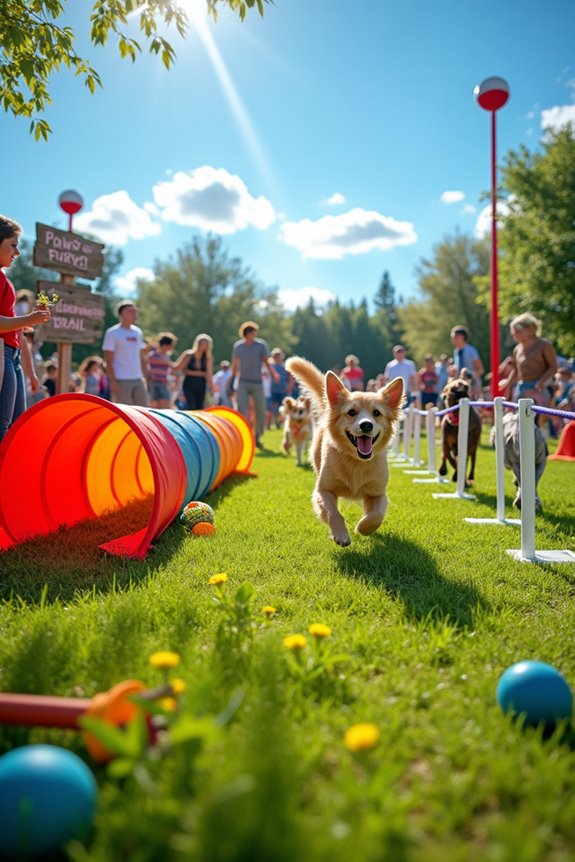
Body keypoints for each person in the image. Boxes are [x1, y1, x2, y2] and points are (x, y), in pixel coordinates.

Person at [0, 216, 51, 441]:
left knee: (18, 424)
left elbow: (16, 332)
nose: (17, 253)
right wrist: (30, 318)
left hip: (14, 357)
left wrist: (30, 372)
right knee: (3, 424)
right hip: (3, 353)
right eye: (13, 245)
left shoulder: (6, 280)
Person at [499, 312, 558, 425]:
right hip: (522, 387)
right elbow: (516, 370)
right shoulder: (517, 349)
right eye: (513, 332)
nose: (514, 335)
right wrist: (507, 384)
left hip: (541, 388)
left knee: (538, 421)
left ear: (530, 329)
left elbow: (553, 367)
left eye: (517, 331)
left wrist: (541, 382)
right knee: (520, 420)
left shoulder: (544, 345)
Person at [230, 321, 279, 448]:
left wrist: (273, 374)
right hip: (243, 382)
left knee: (261, 411)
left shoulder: (261, 345)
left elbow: (266, 362)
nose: (255, 334)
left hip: (257, 383)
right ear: (247, 333)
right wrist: (231, 380)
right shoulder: (238, 347)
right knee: (242, 410)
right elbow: (234, 365)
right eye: (253, 332)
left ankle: (257, 437)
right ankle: (244, 436)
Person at [102, 300, 149, 406]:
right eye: (131, 311)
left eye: (135, 311)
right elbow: (108, 360)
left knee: (143, 411)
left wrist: (145, 376)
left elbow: (141, 356)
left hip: (138, 378)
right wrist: (113, 382)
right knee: (125, 412)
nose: (135, 314)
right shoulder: (112, 333)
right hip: (121, 379)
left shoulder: (138, 332)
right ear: (122, 314)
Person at [174, 333, 213, 411]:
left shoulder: (208, 358)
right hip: (189, 383)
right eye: (201, 343)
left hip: (201, 384)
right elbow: (178, 368)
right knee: (190, 405)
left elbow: (208, 374)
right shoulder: (188, 355)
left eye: (205, 344)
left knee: (200, 407)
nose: (202, 346)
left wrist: (211, 388)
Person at [450, 325, 484, 399]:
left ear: (462, 337)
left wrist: (473, 382)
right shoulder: (456, 351)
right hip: (461, 386)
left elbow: (480, 369)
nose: (453, 339)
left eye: (455, 337)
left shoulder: (471, 350)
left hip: (472, 385)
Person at [147, 332, 178, 409]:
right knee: (154, 405)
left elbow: (171, 369)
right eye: (171, 346)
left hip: (163, 383)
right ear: (165, 345)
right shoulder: (153, 355)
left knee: (165, 405)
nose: (171, 348)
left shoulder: (166, 356)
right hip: (153, 382)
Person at [266, 348, 293, 428]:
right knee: (270, 408)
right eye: (275, 356)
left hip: (283, 390)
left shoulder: (285, 367)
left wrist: (289, 387)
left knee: (284, 408)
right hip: (272, 390)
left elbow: (290, 378)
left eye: (278, 356)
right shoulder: (271, 367)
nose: (277, 358)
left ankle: (283, 424)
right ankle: (268, 425)